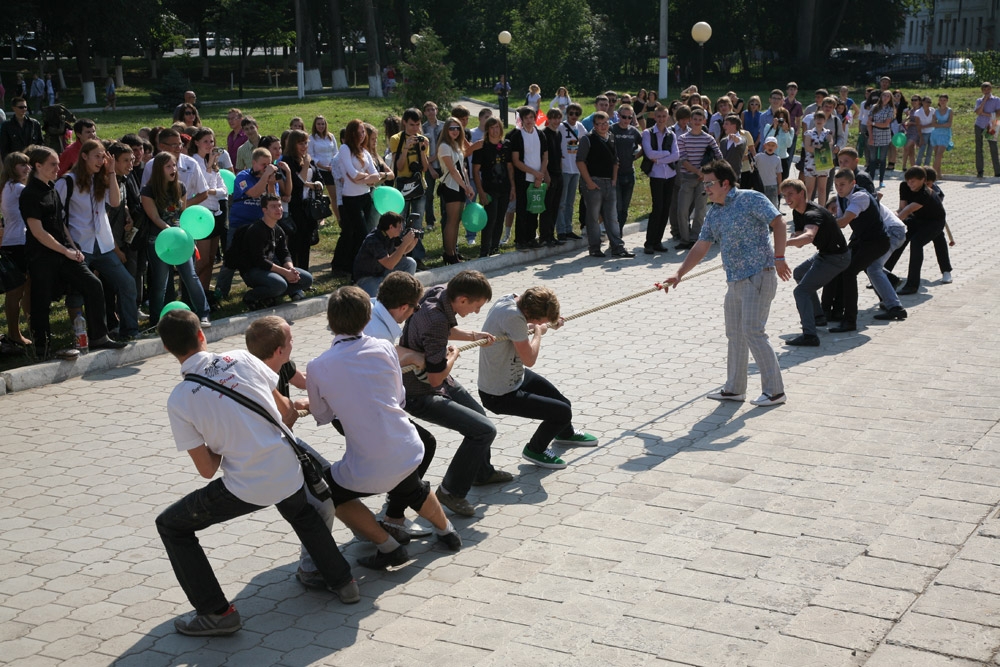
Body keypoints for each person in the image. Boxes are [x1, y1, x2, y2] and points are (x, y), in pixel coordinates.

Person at [155, 309, 359, 637]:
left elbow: (207, 470)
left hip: (248, 485)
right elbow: (285, 412)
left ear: (166, 349)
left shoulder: (179, 400)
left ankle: (216, 613)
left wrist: (222, 436)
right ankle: (344, 582)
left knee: (171, 525)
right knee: (300, 511)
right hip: (288, 466)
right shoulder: (240, 357)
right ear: (201, 335)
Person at [307, 286, 462, 569]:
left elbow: (323, 415)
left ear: (330, 321)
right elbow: (399, 397)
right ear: (368, 318)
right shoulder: (385, 348)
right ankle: (448, 532)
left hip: (371, 463)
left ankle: (388, 547)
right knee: (410, 484)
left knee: (328, 492)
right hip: (408, 445)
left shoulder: (317, 366)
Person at [660, 160, 790, 407]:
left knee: (753, 331)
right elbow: (702, 245)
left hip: (758, 275)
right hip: (734, 281)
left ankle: (775, 392)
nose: (706, 188)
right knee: (735, 335)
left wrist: (780, 257)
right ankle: (734, 389)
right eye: (704, 183)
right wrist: (679, 273)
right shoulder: (714, 212)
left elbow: (779, 222)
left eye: (710, 183)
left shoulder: (751, 198)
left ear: (725, 183)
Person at [398, 269, 506, 517]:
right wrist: (454, 355)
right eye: (476, 306)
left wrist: (474, 335)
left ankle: (481, 473)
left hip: (437, 381)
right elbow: (435, 377)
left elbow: (443, 331)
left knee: (479, 417)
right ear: (463, 299)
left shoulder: (438, 293)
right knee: (484, 430)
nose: (476, 312)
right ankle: (451, 492)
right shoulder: (436, 319)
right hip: (421, 392)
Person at [19, 146, 126, 357]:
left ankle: (99, 337)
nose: (57, 168)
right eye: (53, 164)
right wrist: (65, 251)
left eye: (58, 164)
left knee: (93, 285)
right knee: (41, 299)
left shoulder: (51, 188)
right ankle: (42, 348)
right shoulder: (29, 194)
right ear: (38, 166)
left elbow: (61, 223)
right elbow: (38, 232)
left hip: (64, 251)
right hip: (41, 255)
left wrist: (73, 249)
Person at [477, 287, 598, 469]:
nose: (544, 323)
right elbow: (530, 359)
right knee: (562, 413)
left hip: (516, 376)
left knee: (563, 403)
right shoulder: (513, 316)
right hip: (499, 393)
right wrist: (539, 332)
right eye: (542, 320)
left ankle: (565, 434)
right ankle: (535, 449)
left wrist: (549, 322)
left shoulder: (512, 299)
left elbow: (523, 326)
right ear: (530, 313)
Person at [362, 272, 439, 542]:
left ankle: (391, 510)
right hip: (365, 410)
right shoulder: (379, 333)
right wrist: (412, 357)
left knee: (412, 449)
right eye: (415, 307)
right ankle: (393, 518)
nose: (415, 312)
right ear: (404, 307)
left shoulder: (372, 310)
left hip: (360, 406)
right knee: (421, 445)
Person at [55, 139, 139, 341]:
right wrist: (70, 246)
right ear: (84, 156)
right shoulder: (67, 182)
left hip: (103, 244)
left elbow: (115, 202)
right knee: (78, 292)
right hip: (79, 244)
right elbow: (58, 217)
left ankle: (130, 330)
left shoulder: (101, 179)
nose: (101, 161)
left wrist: (111, 173)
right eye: (97, 156)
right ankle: (81, 335)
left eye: (103, 156)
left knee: (127, 283)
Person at [141, 152, 211, 327]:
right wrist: (171, 232)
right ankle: (155, 321)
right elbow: (155, 217)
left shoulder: (180, 187)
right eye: (168, 166)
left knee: (190, 276)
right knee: (161, 282)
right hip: (160, 241)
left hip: (180, 240)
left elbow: (182, 213)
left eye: (174, 165)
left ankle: (203, 314)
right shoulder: (148, 191)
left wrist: (187, 237)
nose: (173, 169)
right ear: (159, 170)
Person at [780, 178, 850, 347]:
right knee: (799, 273)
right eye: (784, 195)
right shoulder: (797, 212)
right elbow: (801, 239)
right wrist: (793, 238)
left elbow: (809, 236)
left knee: (801, 292)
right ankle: (818, 317)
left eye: (790, 194)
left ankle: (810, 335)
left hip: (837, 258)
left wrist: (783, 243)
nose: (787, 199)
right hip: (825, 254)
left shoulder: (812, 213)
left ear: (801, 193)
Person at [826, 168, 891, 333]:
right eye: (836, 185)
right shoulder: (841, 198)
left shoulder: (860, 196)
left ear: (853, 183)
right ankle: (836, 312)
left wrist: (821, 223)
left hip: (877, 242)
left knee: (849, 273)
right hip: (862, 240)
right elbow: (839, 221)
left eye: (842, 184)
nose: (839, 188)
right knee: (841, 267)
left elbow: (843, 221)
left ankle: (850, 321)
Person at [235, 193, 313, 308]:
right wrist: (285, 273)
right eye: (273, 206)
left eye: (279, 205)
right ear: (264, 210)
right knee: (279, 285)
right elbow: (259, 261)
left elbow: (284, 253)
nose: (278, 209)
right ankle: (251, 297)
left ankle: (270, 295)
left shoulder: (278, 230)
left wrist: (290, 269)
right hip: (253, 270)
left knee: (307, 279)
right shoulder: (256, 230)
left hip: (271, 269)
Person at [885, 166, 947, 295]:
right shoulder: (904, 186)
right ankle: (884, 275)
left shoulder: (925, 193)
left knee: (916, 243)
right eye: (908, 181)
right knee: (899, 239)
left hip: (934, 223)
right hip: (917, 219)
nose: (910, 184)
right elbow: (902, 208)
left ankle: (912, 285)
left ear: (923, 180)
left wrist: (891, 224)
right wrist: (891, 216)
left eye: (913, 181)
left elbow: (907, 211)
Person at [333, 121, 379, 276]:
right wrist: (366, 178)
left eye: (363, 132)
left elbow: (376, 175)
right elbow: (352, 173)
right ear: (351, 133)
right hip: (351, 198)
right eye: (359, 132)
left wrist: (361, 179)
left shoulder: (364, 151)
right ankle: (351, 266)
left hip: (365, 196)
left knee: (362, 233)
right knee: (360, 233)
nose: (362, 135)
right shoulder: (345, 149)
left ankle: (355, 265)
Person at [187, 129, 228, 302]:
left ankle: (204, 293)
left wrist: (211, 189)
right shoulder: (194, 162)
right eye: (206, 141)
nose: (210, 145)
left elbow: (224, 190)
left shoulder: (211, 164)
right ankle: (189, 291)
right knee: (202, 260)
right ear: (196, 142)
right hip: (200, 215)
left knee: (211, 258)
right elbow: (201, 188)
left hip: (215, 213)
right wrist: (209, 166)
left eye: (212, 141)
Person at [674, 107, 723, 250]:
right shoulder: (682, 138)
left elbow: (719, 156)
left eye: (699, 120)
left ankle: (695, 238)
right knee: (682, 210)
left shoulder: (709, 138)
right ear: (690, 120)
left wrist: (707, 173)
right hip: (687, 178)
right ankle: (684, 239)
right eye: (694, 119)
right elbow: (682, 159)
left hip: (704, 181)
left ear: (704, 121)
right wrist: (698, 172)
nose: (696, 122)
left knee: (700, 210)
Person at [388, 108, 431, 269]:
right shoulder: (396, 139)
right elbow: (398, 166)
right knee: (401, 221)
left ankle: (417, 257)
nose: (415, 128)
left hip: (418, 185)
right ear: (404, 123)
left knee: (417, 222)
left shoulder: (423, 139)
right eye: (412, 125)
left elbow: (425, 168)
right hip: (402, 186)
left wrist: (423, 149)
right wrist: (406, 147)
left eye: (418, 125)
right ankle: (399, 256)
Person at [1, 151, 32, 346]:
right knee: (16, 291)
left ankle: (28, 327)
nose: (28, 168)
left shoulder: (8, 186)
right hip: (18, 242)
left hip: (14, 241)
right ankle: (14, 334)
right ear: (13, 168)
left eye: (28, 164)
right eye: (23, 165)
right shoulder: (18, 188)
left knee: (24, 287)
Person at [507, 106, 548, 251]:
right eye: (526, 118)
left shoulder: (540, 134)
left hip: (538, 179)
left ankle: (531, 238)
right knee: (523, 209)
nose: (529, 121)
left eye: (531, 117)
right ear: (522, 120)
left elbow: (545, 156)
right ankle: (521, 240)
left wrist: (540, 175)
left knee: (534, 210)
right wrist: (534, 173)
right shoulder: (517, 136)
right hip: (523, 179)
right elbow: (516, 160)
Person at [641, 104, 680, 254]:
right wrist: (665, 153)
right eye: (659, 116)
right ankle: (649, 242)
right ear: (654, 117)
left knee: (665, 209)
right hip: (656, 175)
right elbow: (649, 153)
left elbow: (676, 155)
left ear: (668, 117)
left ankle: (658, 241)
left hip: (670, 174)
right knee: (657, 208)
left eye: (664, 116)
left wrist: (659, 159)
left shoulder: (671, 134)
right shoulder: (647, 133)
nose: (661, 119)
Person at [472, 117, 513, 256]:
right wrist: (481, 192)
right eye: (492, 127)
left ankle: (494, 248)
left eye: (497, 127)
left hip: (505, 188)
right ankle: (484, 250)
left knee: (500, 219)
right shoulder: (481, 146)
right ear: (487, 130)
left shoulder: (506, 144)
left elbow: (509, 167)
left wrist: (513, 187)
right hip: (489, 189)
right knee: (490, 219)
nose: (495, 130)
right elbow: (475, 171)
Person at [353, 211, 418, 296]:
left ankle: (404, 293)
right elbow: (389, 264)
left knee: (410, 263)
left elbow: (401, 252)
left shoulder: (391, 235)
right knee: (378, 299)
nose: (401, 229)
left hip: (382, 272)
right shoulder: (374, 240)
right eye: (399, 226)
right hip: (368, 277)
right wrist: (405, 243)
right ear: (391, 227)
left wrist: (413, 242)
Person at [555, 103, 586, 242]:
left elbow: (586, 140)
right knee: (561, 202)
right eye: (571, 113)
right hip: (565, 168)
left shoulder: (580, 126)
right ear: (567, 114)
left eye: (576, 114)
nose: (574, 116)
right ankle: (561, 230)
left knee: (570, 202)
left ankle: (568, 229)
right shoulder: (561, 127)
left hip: (576, 169)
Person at [610, 104, 643, 228]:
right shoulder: (611, 129)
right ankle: (615, 233)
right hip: (615, 174)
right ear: (618, 116)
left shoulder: (634, 131)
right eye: (624, 117)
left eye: (630, 117)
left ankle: (619, 232)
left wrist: (636, 156)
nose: (626, 120)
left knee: (624, 208)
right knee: (617, 207)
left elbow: (645, 146)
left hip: (629, 173)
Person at [539, 108, 566, 248]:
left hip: (558, 173)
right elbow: (543, 157)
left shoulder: (558, 134)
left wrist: (560, 173)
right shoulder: (544, 134)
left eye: (559, 118)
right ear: (548, 119)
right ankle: (544, 236)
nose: (556, 121)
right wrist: (546, 176)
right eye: (554, 118)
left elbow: (559, 154)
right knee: (547, 207)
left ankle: (551, 235)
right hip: (548, 174)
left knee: (555, 206)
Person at [309, 116, 340, 221]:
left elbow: (336, 152)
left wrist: (333, 164)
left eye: (323, 124)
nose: (321, 126)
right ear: (315, 125)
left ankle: (339, 219)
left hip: (331, 170)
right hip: (319, 170)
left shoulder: (330, 136)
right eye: (318, 124)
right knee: (318, 196)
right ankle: (320, 218)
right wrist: (323, 166)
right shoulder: (312, 138)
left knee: (334, 196)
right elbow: (311, 156)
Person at [421, 102, 446, 230]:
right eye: (428, 110)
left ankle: (444, 218)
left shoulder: (444, 126)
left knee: (444, 193)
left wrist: (436, 156)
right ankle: (430, 222)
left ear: (437, 110)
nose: (431, 112)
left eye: (433, 109)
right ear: (425, 112)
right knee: (428, 195)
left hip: (443, 164)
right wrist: (430, 167)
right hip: (428, 166)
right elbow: (421, 150)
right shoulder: (422, 128)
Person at [867, 91, 894, 188]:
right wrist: (870, 136)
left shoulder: (890, 109)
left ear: (890, 99)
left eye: (888, 96)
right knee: (872, 158)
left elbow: (885, 124)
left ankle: (881, 180)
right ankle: (871, 180)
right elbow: (868, 122)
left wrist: (873, 123)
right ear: (881, 96)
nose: (886, 98)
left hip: (885, 134)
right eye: (884, 95)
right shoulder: (874, 107)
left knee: (882, 158)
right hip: (874, 133)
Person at [974, 83, 1000, 178]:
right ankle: (980, 171)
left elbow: (998, 114)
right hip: (979, 124)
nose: (987, 91)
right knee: (979, 148)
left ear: (991, 89)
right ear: (982, 91)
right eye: (984, 90)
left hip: (992, 124)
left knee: (993, 148)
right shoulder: (979, 100)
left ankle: (997, 172)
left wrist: (985, 113)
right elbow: (978, 112)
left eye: (988, 89)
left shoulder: (997, 100)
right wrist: (984, 100)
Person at [930, 94, 953, 179]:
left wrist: (939, 125)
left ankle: (931, 174)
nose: (942, 102)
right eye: (941, 100)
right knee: (936, 155)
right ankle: (938, 174)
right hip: (935, 134)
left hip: (945, 134)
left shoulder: (950, 111)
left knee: (939, 153)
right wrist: (943, 125)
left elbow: (949, 124)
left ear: (947, 101)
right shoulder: (936, 111)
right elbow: (933, 123)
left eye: (944, 100)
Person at [756, 137, 783, 207]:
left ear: (776, 147)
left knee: (772, 205)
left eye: (773, 145)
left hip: (772, 186)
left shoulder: (777, 159)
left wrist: (779, 186)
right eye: (768, 145)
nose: (770, 147)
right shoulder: (758, 157)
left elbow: (779, 173)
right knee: (759, 205)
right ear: (765, 146)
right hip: (760, 185)